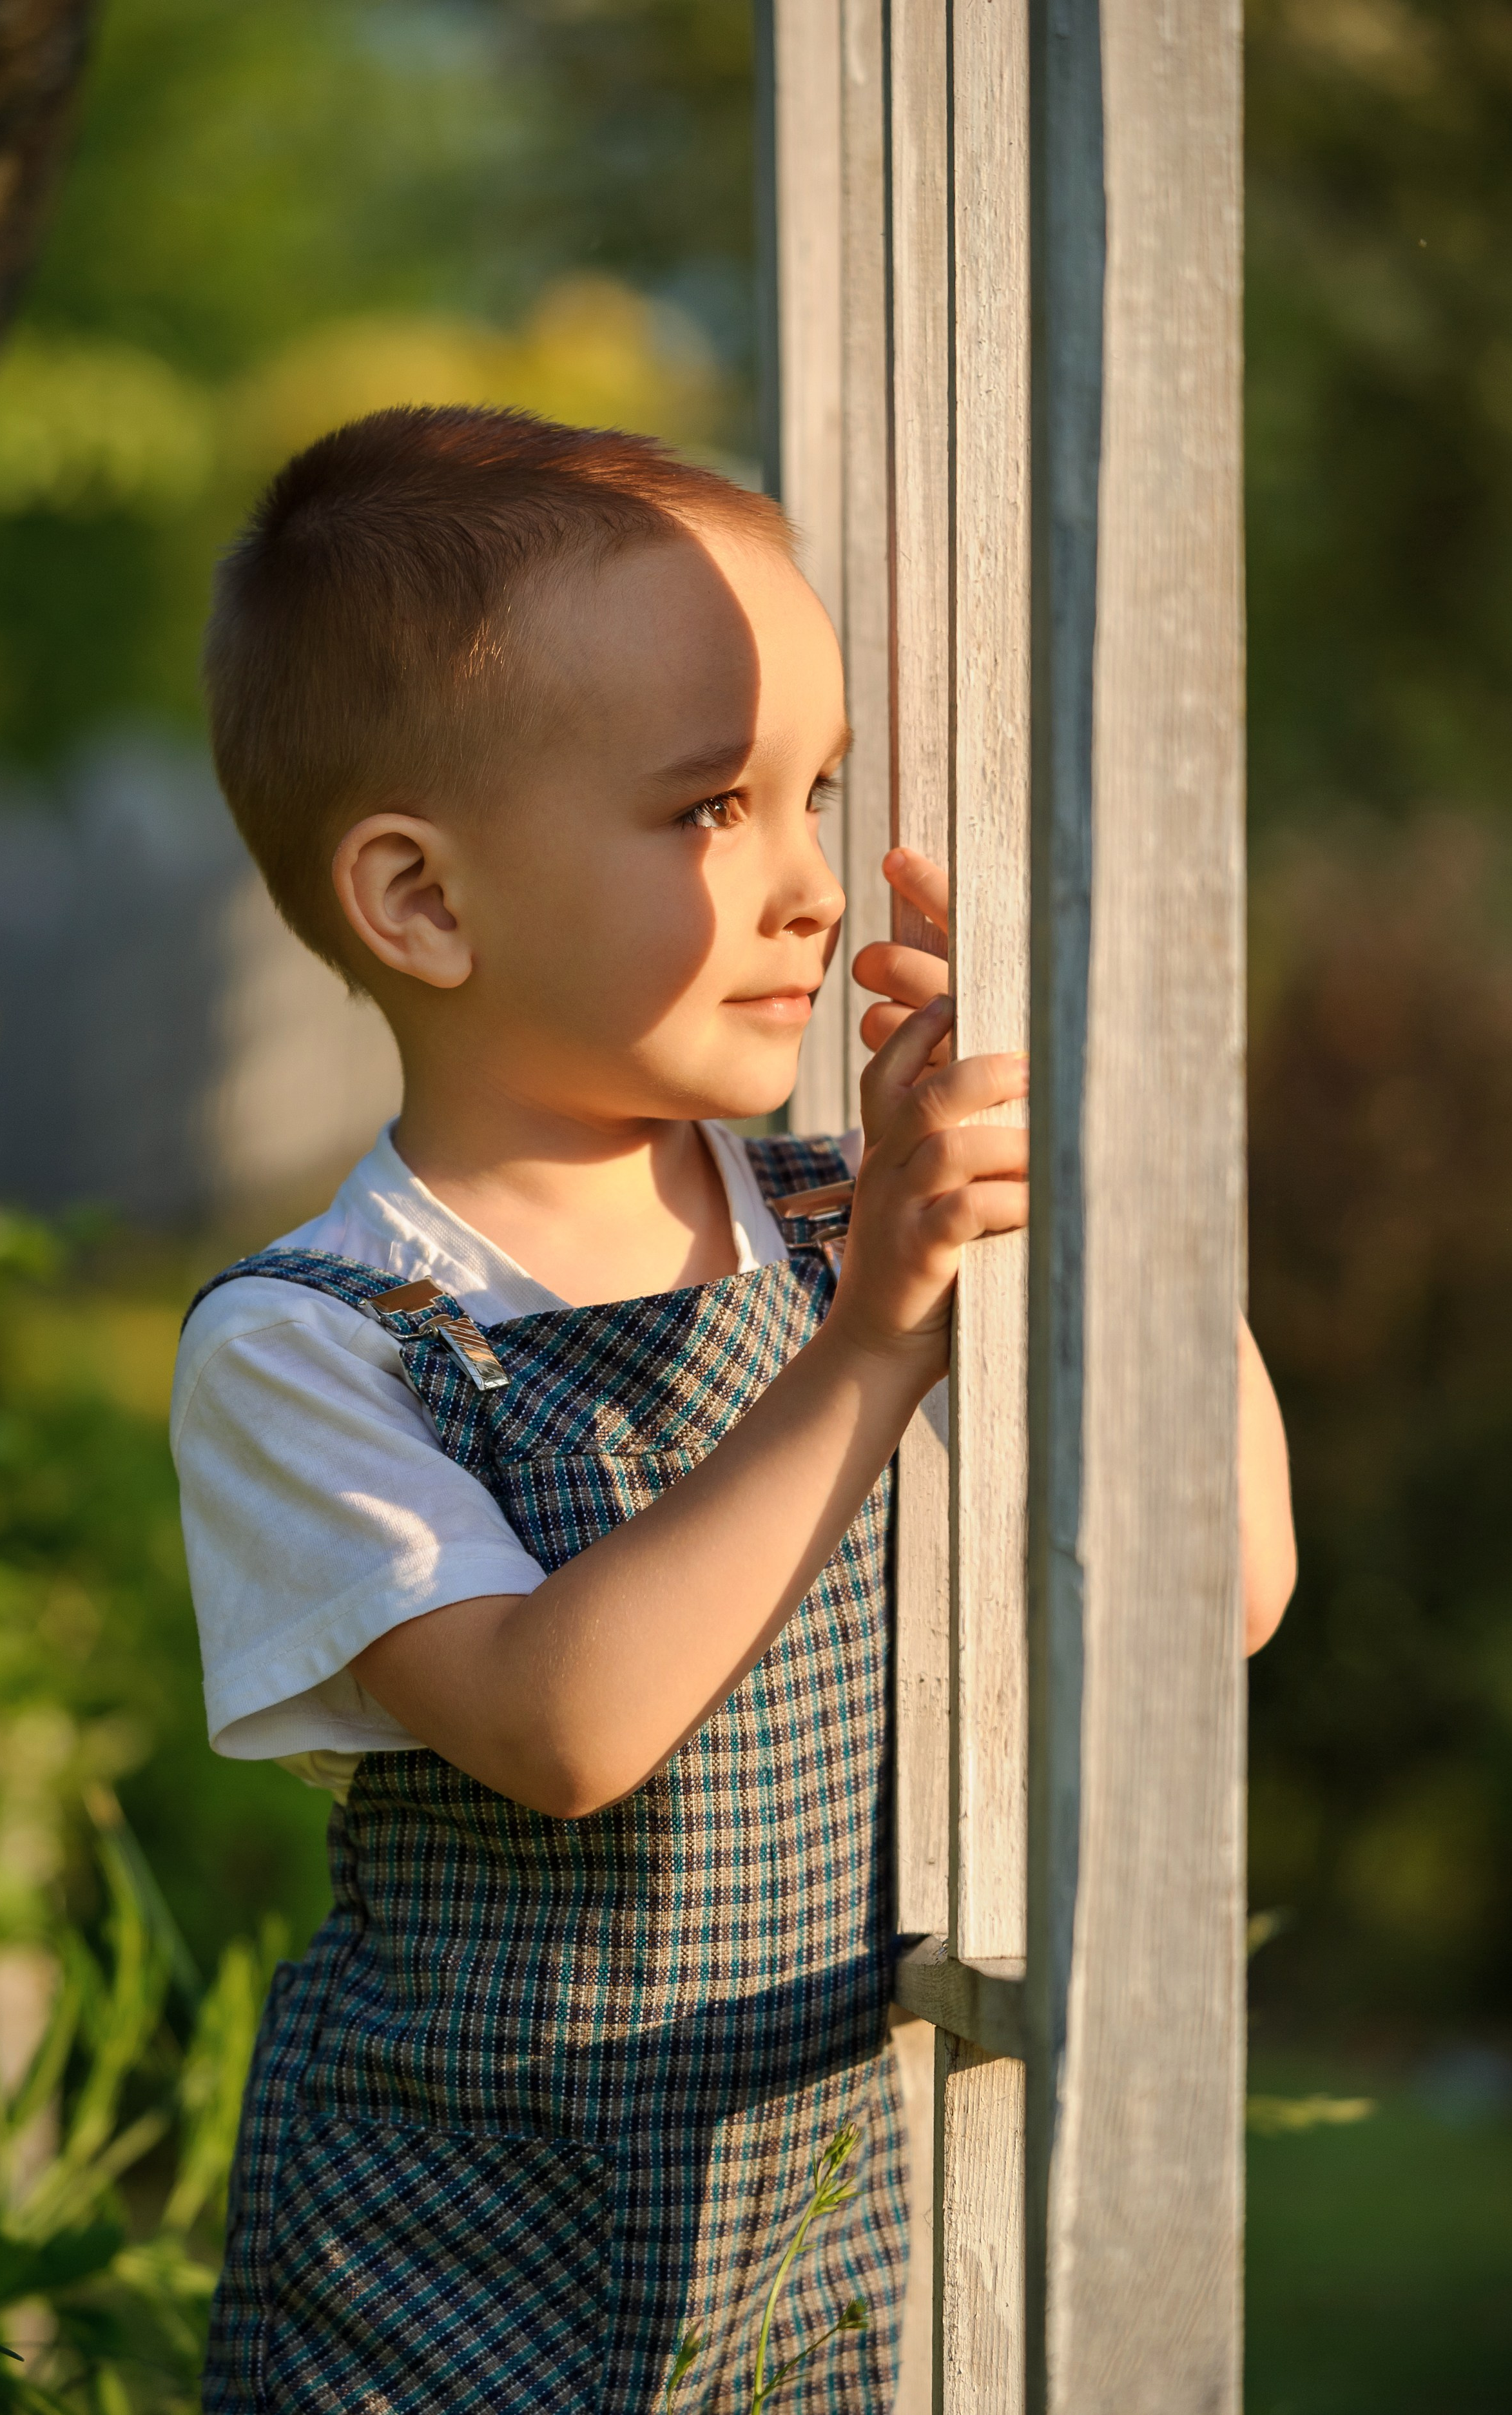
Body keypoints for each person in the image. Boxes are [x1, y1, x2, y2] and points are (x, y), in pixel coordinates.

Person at [174, 405, 1295, 2415]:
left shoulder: (833, 1219)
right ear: (421, 901)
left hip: (799, 2243)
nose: (804, 880)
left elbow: (1214, 1584)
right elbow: (561, 1721)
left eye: (817, 791)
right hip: (442, 2277)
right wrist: (867, 1345)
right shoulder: (317, 1340)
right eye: (709, 807)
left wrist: (1124, 1169)